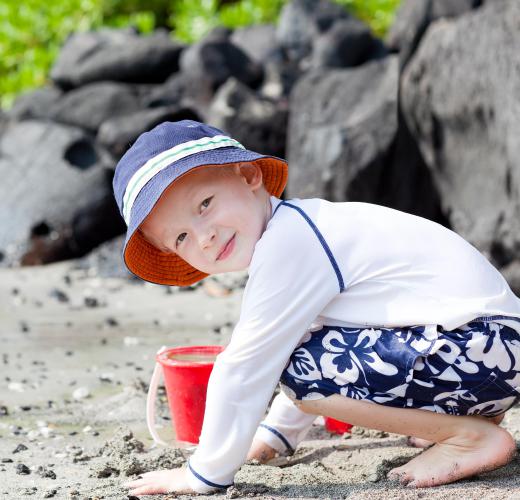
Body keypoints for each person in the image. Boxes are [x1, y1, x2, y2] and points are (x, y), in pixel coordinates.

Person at [112, 120, 520, 496]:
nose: (203, 237)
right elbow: (309, 333)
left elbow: (246, 366)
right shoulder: (301, 227)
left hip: (480, 346)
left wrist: (202, 472)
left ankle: (469, 437)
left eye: (205, 205)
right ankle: (466, 422)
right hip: (490, 351)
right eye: (181, 237)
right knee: (306, 353)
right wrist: (274, 436)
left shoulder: (290, 243)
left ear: (250, 176)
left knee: (301, 372)